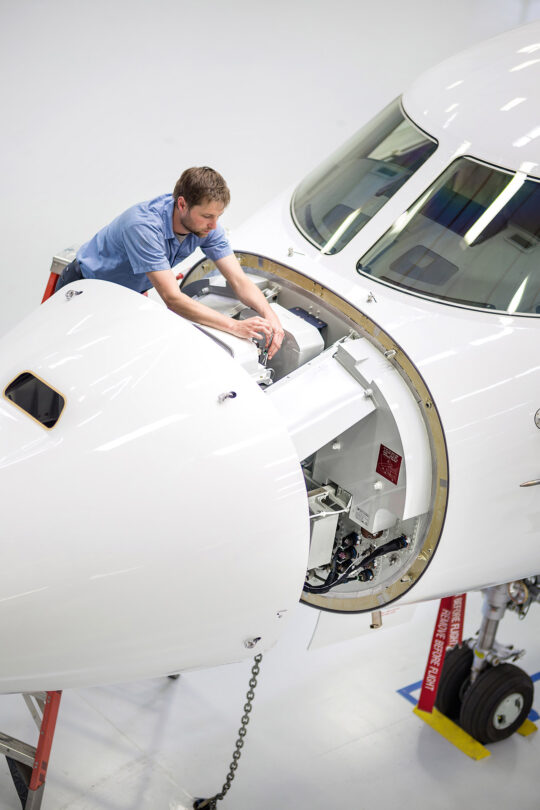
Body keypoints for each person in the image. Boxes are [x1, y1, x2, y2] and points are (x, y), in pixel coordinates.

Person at [56, 167, 284, 359]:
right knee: (66, 355)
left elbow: (239, 280)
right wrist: (235, 327)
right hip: (85, 290)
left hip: (126, 294)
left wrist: (270, 315)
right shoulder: (143, 227)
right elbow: (173, 299)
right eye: (207, 216)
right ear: (182, 204)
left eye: (218, 216)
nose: (214, 225)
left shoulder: (206, 228)